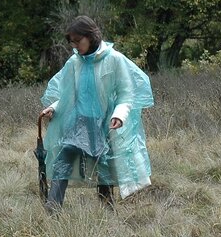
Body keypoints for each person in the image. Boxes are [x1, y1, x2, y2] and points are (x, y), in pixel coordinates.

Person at [39, 16, 154, 213]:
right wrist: (54, 107)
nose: (75, 46)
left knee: (104, 167)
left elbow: (126, 94)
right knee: (63, 160)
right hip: (76, 123)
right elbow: (67, 94)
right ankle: (53, 209)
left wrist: (119, 115)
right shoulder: (74, 62)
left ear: (90, 36)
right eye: (72, 42)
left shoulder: (114, 59)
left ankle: (107, 211)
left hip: (104, 125)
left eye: (78, 41)